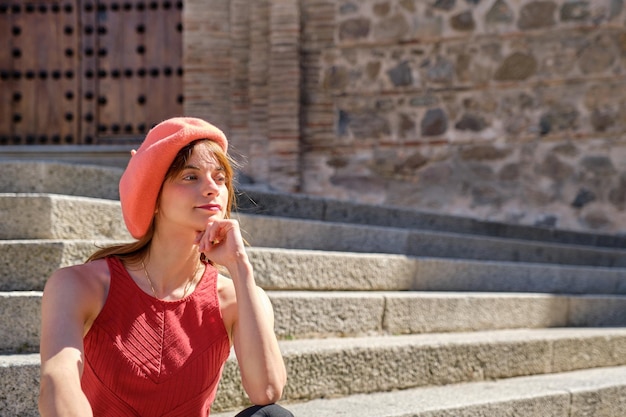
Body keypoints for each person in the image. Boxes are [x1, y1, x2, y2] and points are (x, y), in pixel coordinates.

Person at [38, 117, 294, 417]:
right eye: (190, 177)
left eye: (220, 177)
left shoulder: (236, 297)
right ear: (153, 196)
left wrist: (240, 268)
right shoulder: (81, 285)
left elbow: (266, 390)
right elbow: (57, 380)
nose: (212, 189)